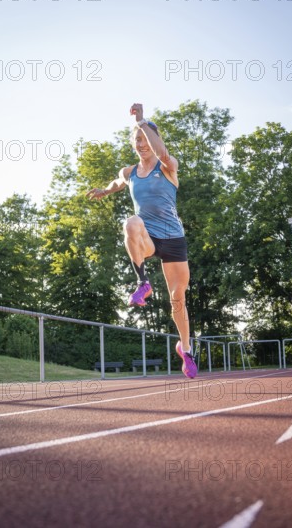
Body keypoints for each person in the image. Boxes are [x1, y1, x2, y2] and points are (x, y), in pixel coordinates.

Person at [87, 103, 197, 379]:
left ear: (154, 139)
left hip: (174, 239)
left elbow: (161, 151)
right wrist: (103, 191)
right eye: (137, 139)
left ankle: (186, 349)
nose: (141, 143)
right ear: (133, 144)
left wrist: (142, 121)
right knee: (131, 223)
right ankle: (142, 282)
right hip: (149, 238)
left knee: (177, 299)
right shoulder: (130, 172)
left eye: (145, 138)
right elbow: (116, 183)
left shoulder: (169, 167)